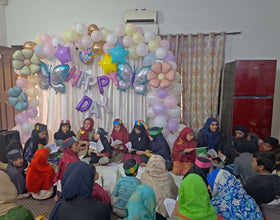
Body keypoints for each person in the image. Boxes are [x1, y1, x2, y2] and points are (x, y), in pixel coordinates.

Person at [244, 151, 280, 220]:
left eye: (253, 161)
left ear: (261, 167)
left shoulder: (252, 182)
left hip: (269, 214)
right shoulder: (277, 177)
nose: (252, 163)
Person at [141, 155, 178, 219]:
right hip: (164, 213)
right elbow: (175, 193)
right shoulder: (168, 177)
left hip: (148, 212)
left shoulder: (144, 176)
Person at [53, 137, 80, 202]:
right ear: (69, 148)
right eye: (76, 145)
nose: (79, 146)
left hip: (61, 183)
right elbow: (73, 176)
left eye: (78, 144)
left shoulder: (67, 155)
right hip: (67, 184)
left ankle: (58, 195)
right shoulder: (71, 160)